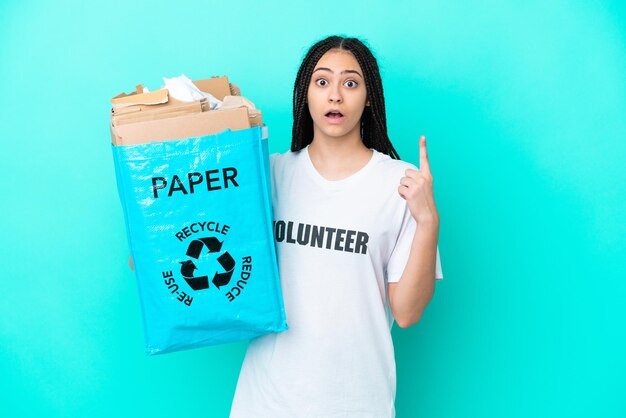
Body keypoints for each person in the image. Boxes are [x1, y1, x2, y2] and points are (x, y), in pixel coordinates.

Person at [229, 35, 443, 418]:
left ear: (369, 97)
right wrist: (157, 251)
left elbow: (407, 313)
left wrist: (428, 222)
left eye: (351, 83)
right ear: (305, 94)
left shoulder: (401, 184)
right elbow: (218, 253)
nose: (335, 96)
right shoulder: (271, 175)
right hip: (265, 403)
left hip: (358, 404)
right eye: (322, 81)